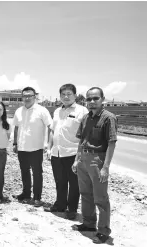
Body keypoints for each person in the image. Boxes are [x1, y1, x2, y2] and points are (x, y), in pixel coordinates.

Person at [71, 87, 117, 244]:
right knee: (85, 194)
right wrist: (77, 159)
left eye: (95, 98)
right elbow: (81, 140)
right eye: (89, 99)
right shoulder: (85, 118)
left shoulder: (108, 118)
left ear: (102, 99)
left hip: (97, 160)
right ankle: (89, 224)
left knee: (101, 198)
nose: (91, 101)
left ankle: (104, 230)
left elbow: (111, 143)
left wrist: (105, 167)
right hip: (83, 158)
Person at [44, 84, 89, 220]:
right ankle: (60, 204)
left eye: (69, 94)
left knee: (74, 183)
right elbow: (52, 131)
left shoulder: (82, 111)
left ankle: (72, 209)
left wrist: (79, 156)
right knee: (60, 181)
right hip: (56, 153)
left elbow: (85, 134)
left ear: (75, 96)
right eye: (63, 94)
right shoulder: (57, 111)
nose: (66, 96)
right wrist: (48, 147)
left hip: (73, 153)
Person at [12, 86, 52, 207]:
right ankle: (26, 194)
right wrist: (15, 143)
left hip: (36, 148)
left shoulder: (42, 110)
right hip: (22, 148)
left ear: (35, 97)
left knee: (37, 173)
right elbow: (16, 128)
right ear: (22, 97)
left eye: (30, 96)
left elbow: (51, 126)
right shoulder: (19, 111)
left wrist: (48, 144)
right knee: (24, 172)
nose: (27, 98)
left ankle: (37, 197)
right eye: (25, 96)